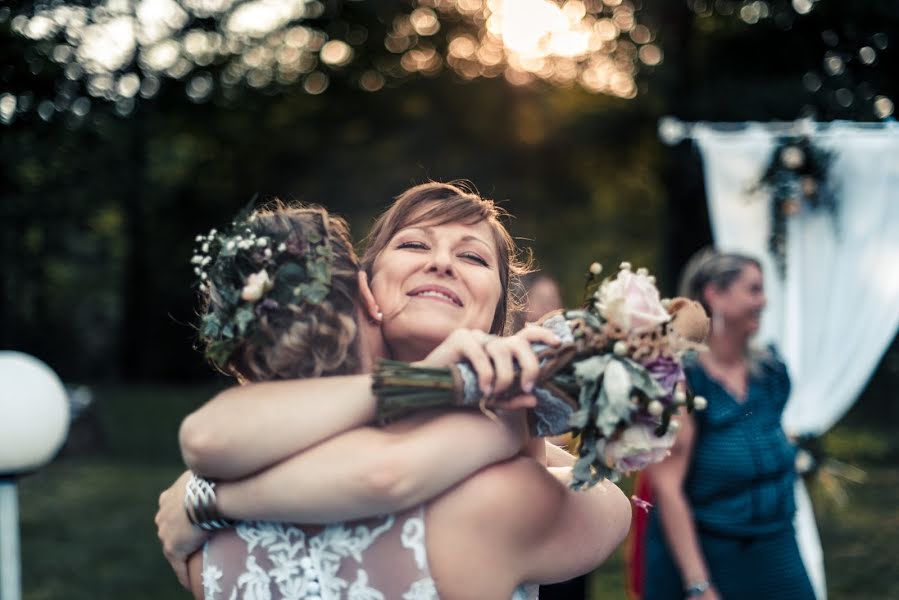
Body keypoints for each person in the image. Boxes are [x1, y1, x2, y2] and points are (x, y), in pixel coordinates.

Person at [156, 183, 632, 599]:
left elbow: (603, 499)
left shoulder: (230, 472)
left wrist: (203, 498)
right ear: (366, 288)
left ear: (498, 313)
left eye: (472, 256)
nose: (442, 263)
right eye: (414, 244)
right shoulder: (244, 440)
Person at [640, 249, 814, 600]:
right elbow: (667, 487)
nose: (763, 302)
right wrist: (698, 583)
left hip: (777, 543)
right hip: (710, 552)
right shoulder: (681, 378)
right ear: (714, 294)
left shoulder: (771, 372)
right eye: (753, 289)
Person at [515, 271, 588, 600]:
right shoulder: (512, 368)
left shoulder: (572, 362)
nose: (552, 309)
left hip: (571, 502)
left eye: (555, 301)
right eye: (543, 302)